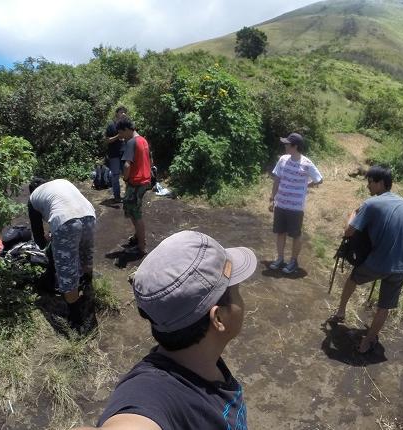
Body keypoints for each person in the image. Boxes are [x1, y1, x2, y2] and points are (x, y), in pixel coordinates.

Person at [74, 230, 257, 430]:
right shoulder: (153, 394)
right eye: (237, 291)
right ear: (218, 318)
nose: (242, 301)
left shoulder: (200, 362)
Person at [327, 166, 403, 354]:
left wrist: (351, 214)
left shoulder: (371, 204)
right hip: (401, 265)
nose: (368, 187)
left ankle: (341, 312)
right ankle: (368, 342)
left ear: (380, 183)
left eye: (370, 182)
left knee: (353, 278)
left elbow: (348, 232)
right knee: (384, 307)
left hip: (378, 263)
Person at [27, 178, 96, 330]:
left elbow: (39, 237)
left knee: (67, 274)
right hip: (89, 214)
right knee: (85, 257)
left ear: (32, 191)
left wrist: (52, 247)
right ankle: (88, 293)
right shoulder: (59, 184)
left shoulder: (33, 198)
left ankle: (76, 320)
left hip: (65, 221)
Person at [268, 132, 323, 274]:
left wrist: (305, 186)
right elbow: (277, 179)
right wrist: (272, 199)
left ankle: (293, 261)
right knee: (280, 232)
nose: (285, 146)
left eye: (287, 144)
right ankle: (280, 259)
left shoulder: (306, 163)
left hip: (296, 207)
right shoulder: (283, 160)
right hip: (281, 204)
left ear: (295, 146)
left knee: (295, 235)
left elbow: (319, 179)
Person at [116, 117, 151, 257]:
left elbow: (127, 165)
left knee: (136, 214)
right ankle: (138, 237)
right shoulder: (143, 140)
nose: (121, 137)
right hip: (144, 181)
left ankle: (141, 247)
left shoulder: (131, 142)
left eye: (121, 133)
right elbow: (150, 159)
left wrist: (125, 178)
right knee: (132, 210)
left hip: (136, 182)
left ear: (126, 130)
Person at [104, 106, 128, 202]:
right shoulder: (111, 125)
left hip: (125, 153)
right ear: (117, 114)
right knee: (115, 175)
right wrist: (118, 136)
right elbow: (107, 140)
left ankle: (129, 195)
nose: (123, 114)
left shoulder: (126, 125)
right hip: (114, 154)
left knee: (127, 174)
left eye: (124, 112)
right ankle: (117, 196)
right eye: (121, 112)